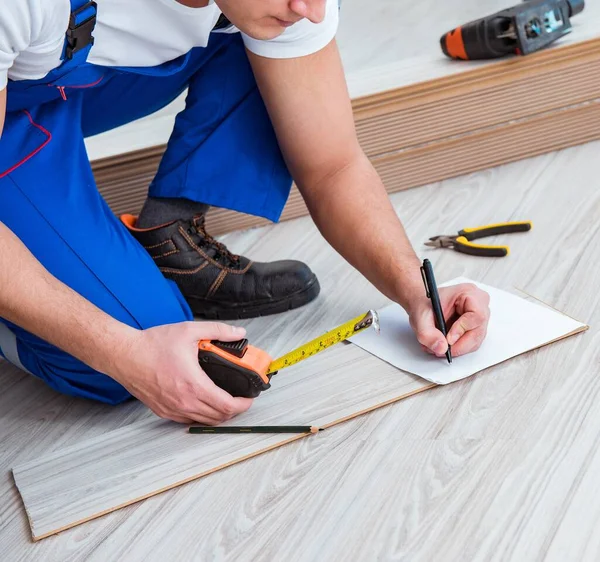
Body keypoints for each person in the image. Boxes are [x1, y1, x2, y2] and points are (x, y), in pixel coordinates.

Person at [0, 0, 491, 425]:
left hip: (65, 76)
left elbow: (333, 165)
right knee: (112, 365)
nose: (313, 10)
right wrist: (121, 351)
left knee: (262, 27)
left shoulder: (292, 4)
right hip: (18, 119)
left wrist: (414, 288)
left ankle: (168, 242)